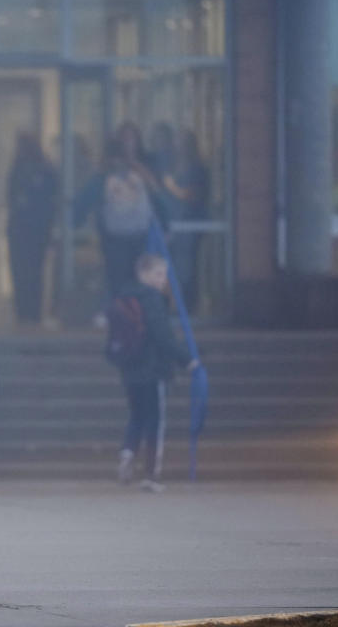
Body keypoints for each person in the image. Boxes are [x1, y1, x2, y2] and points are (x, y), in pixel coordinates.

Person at [111, 253, 199, 493]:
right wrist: (187, 360)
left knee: (137, 416)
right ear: (144, 274)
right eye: (159, 274)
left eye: (164, 274)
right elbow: (163, 336)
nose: (163, 279)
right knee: (155, 422)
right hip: (153, 370)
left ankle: (128, 453)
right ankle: (151, 474)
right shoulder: (152, 299)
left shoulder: (123, 296)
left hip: (129, 369)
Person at [74, 126, 169, 300]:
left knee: (131, 287)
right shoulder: (124, 171)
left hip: (127, 239)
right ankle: (132, 320)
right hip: (128, 239)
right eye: (125, 141)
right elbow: (160, 201)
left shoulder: (112, 175)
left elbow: (159, 196)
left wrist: (73, 222)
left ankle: (133, 320)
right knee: (129, 285)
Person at [6, 132, 59, 323]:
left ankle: (33, 315)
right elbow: (12, 197)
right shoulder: (17, 169)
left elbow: (50, 200)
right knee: (21, 272)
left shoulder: (45, 170)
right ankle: (23, 314)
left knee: (34, 272)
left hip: (37, 230)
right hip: (20, 230)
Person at [163, 130, 210, 312]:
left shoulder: (198, 169)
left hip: (189, 225)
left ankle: (187, 305)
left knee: (185, 267)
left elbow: (194, 195)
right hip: (173, 224)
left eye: (181, 142)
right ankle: (174, 303)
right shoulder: (172, 166)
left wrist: (172, 187)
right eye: (175, 142)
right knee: (172, 265)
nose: (177, 146)